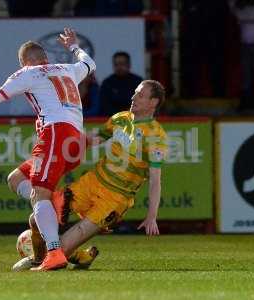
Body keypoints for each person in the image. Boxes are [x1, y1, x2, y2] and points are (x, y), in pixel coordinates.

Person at [0, 28, 96, 271]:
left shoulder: (28, 73)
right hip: (76, 140)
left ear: (25, 62)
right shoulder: (66, 69)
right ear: (45, 57)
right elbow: (89, 63)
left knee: (38, 195)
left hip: (56, 134)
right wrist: (74, 47)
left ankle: (55, 252)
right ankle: (56, 203)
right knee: (16, 179)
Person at [13, 80, 168, 271]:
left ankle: (62, 255)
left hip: (114, 199)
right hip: (91, 183)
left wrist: (152, 216)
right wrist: (69, 139)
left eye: (141, 95)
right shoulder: (120, 118)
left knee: (60, 249)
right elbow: (96, 139)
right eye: (135, 93)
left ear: (153, 102)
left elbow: (155, 179)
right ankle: (48, 258)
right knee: (36, 219)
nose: (134, 97)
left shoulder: (156, 136)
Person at [229, 0, 254, 111]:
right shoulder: (240, 8)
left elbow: (245, 16)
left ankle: (248, 101)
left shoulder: (242, 9)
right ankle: (246, 101)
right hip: (245, 44)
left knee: (249, 74)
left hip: (250, 43)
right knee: (246, 75)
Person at [100, 52, 143, 116]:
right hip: (112, 118)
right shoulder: (107, 83)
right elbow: (104, 105)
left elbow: (143, 103)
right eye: (116, 64)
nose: (119, 67)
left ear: (129, 65)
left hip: (135, 118)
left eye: (122, 64)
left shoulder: (138, 82)